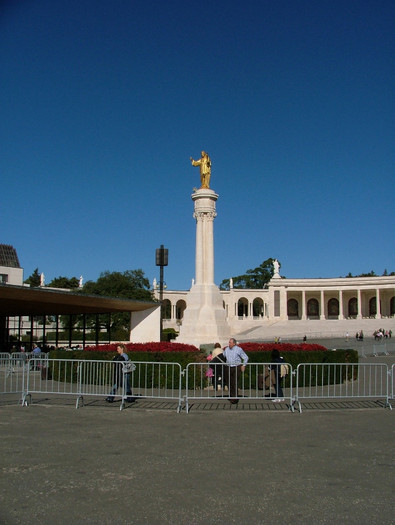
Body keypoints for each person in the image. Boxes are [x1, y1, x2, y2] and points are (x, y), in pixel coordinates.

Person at [223, 338, 249, 404]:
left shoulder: (238, 349)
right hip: (228, 367)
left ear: (234, 343)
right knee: (229, 383)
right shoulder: (226, 349)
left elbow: (245, 357)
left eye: (230, 343)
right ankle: (232, 395)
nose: (229, 344)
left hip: (236, 367)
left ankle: (235, 397)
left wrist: (244, 365)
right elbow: (223, 355)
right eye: (229, 342)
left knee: (234, 382)